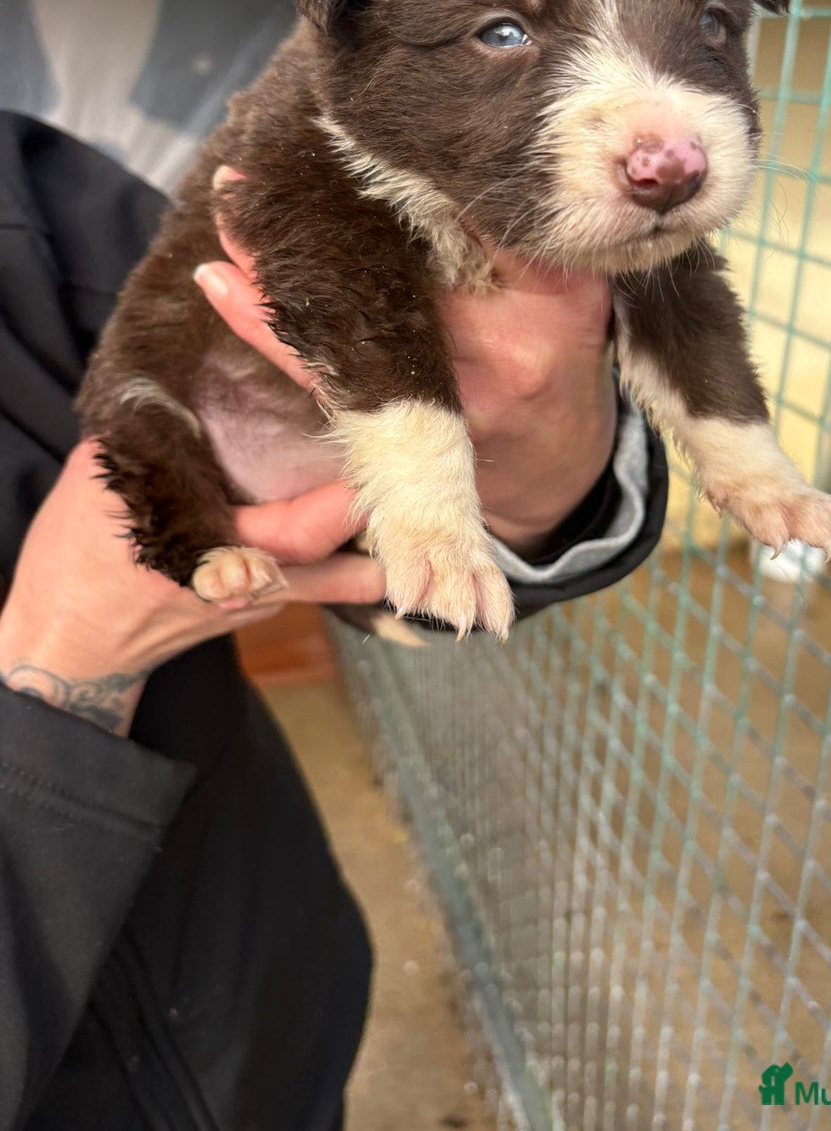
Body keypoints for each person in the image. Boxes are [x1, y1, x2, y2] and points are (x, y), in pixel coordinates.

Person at [0, 111, 667, 1131]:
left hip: (269, 1008)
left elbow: (247, 338)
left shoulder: (26, 202)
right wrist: (68, 651)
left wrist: (540, 488)